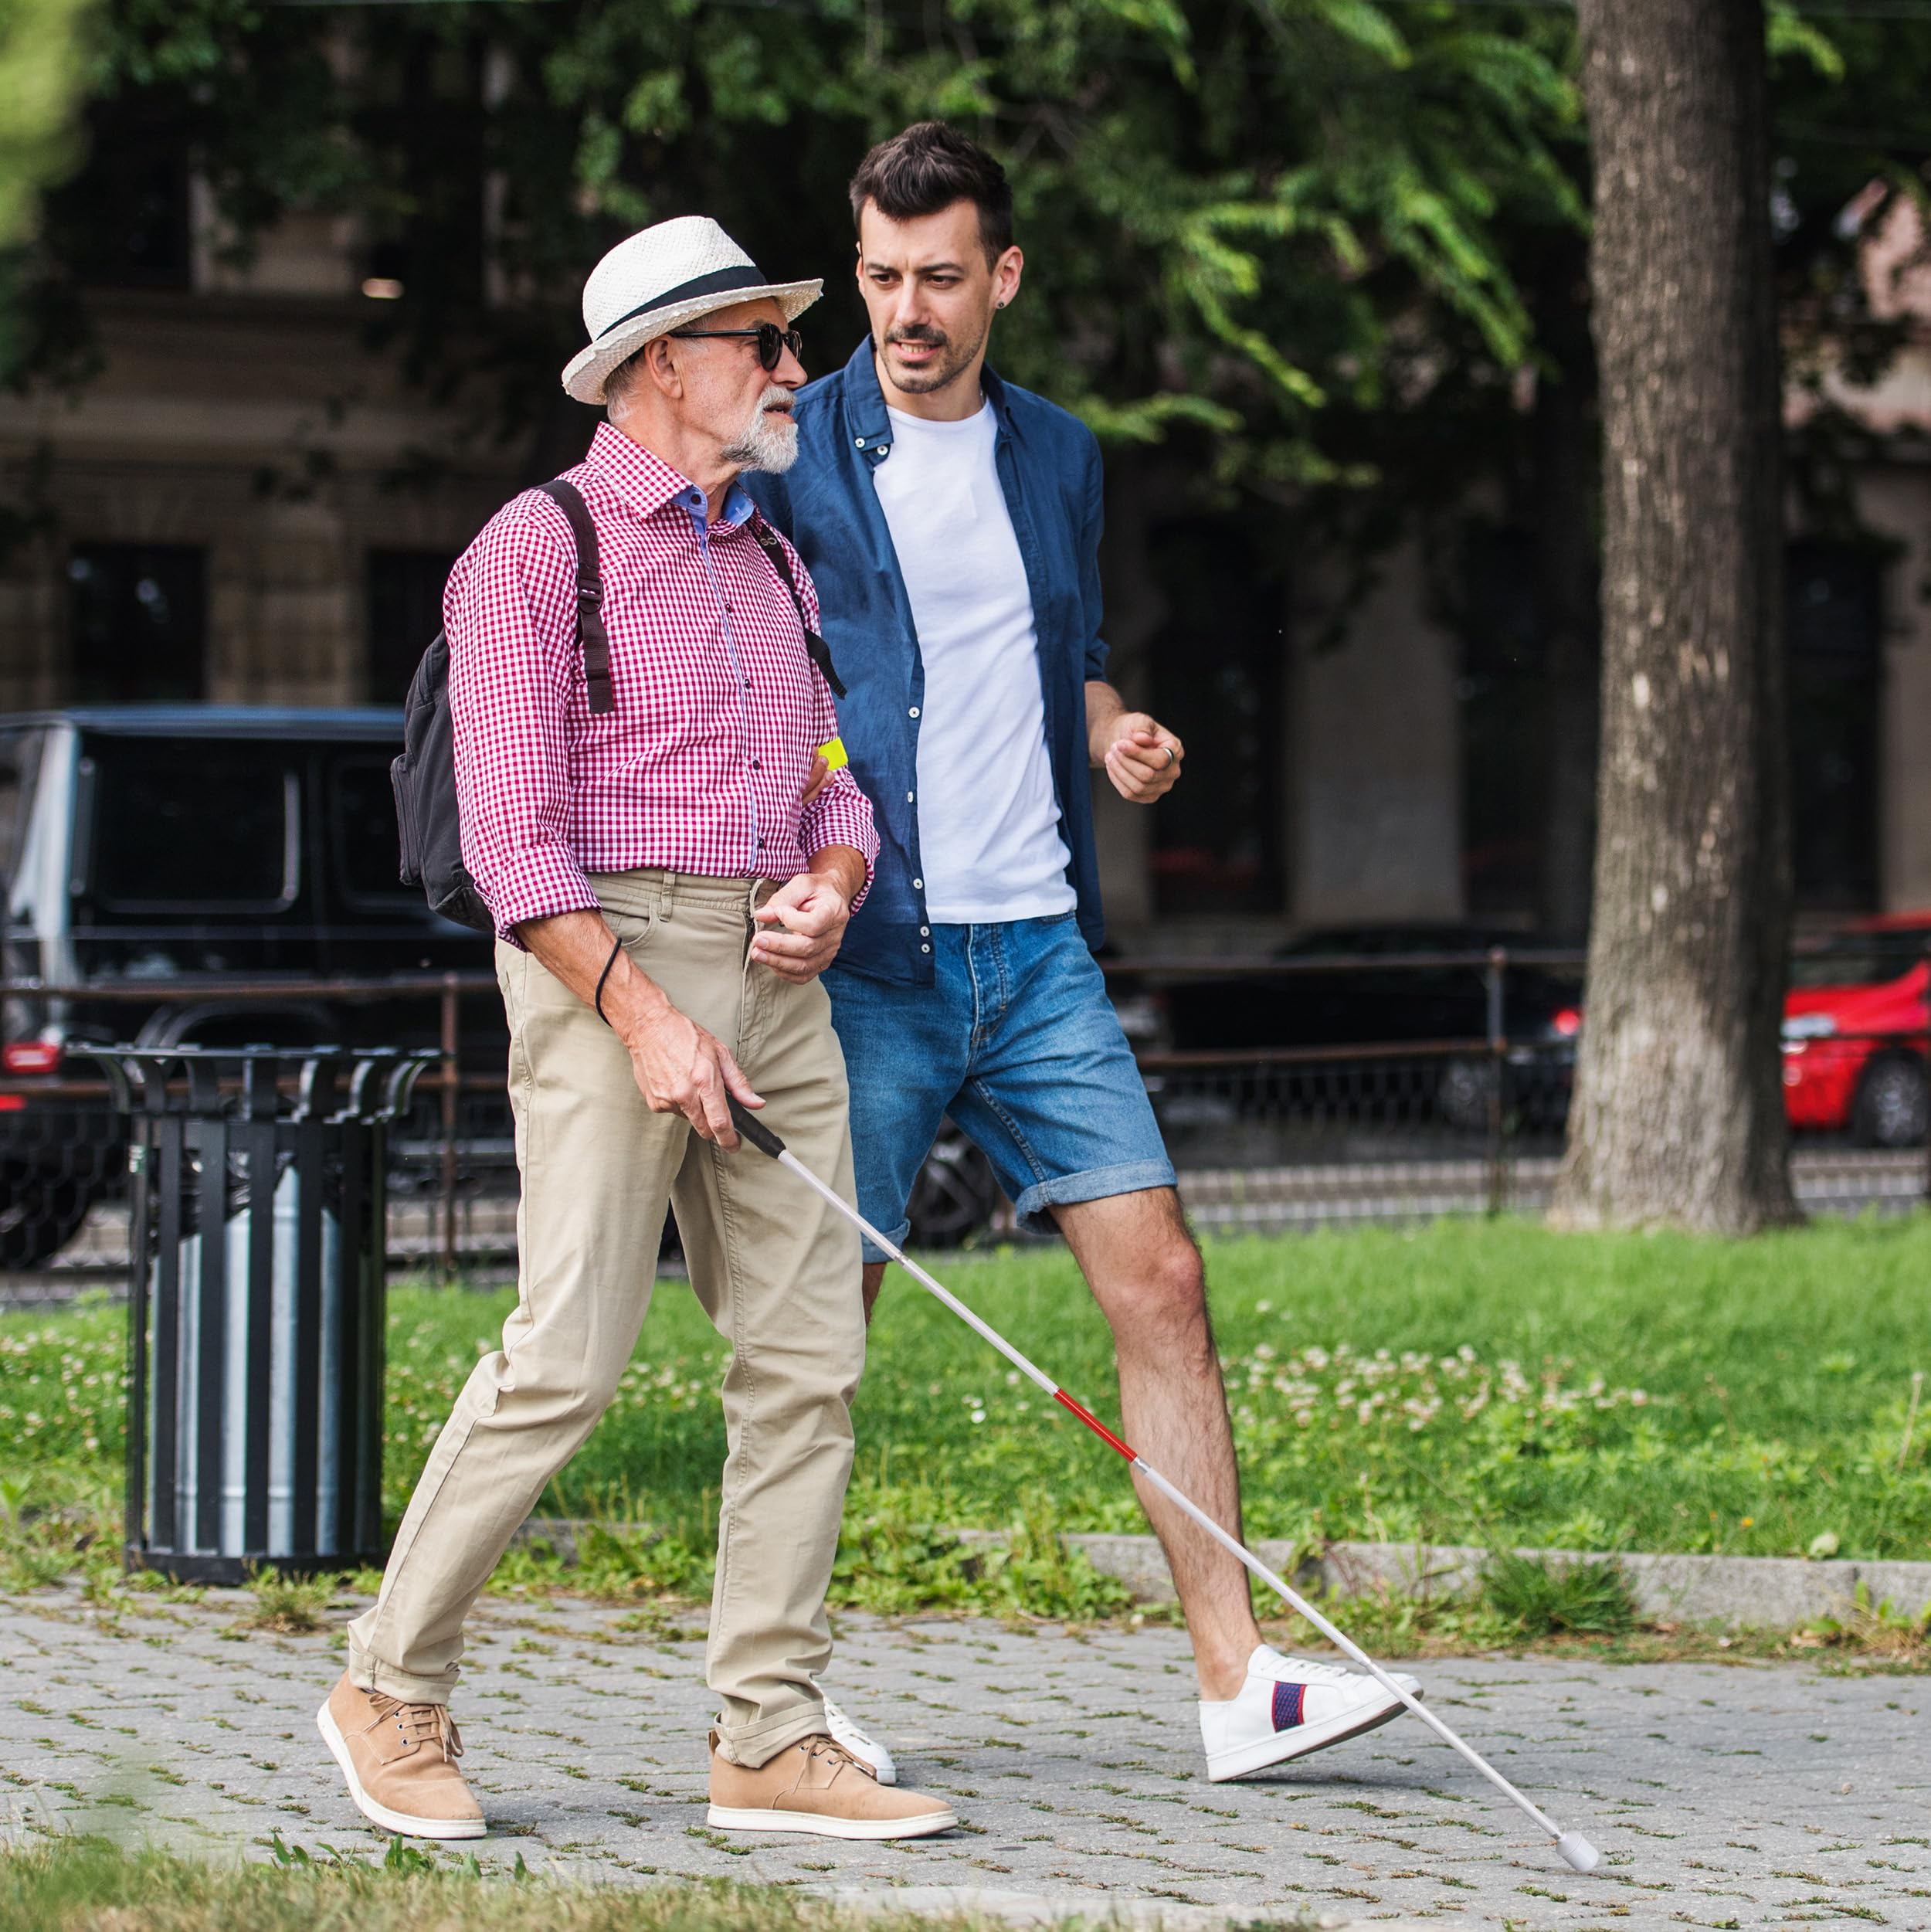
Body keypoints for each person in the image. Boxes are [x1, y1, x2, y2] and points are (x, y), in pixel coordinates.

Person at [745, 126, 1422, 1784]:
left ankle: (1238, 1683)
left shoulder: (1058, 452)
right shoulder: (793, 447)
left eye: (937, 278)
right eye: (879, 277)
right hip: (877, 955)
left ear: (1004, 277)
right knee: (820, 1326)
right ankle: (769, 1700)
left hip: (1039, 947)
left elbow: (1076, 655)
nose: (904, 311)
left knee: (1162, 1280)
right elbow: (754, 673)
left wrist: (1115, 733)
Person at [317, 215, 956, 1844]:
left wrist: (832, 877)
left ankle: (769, 1734)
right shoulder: (534, 551)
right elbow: (508, 839)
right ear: (663, 363)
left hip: (774, 966)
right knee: (568, 1358)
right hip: (604, 959)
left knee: (806, 1363)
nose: (795, 367)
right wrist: (646, 1015)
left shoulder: (772, 561)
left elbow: (835, 780)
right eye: (764, 341)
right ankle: (387, 1686)